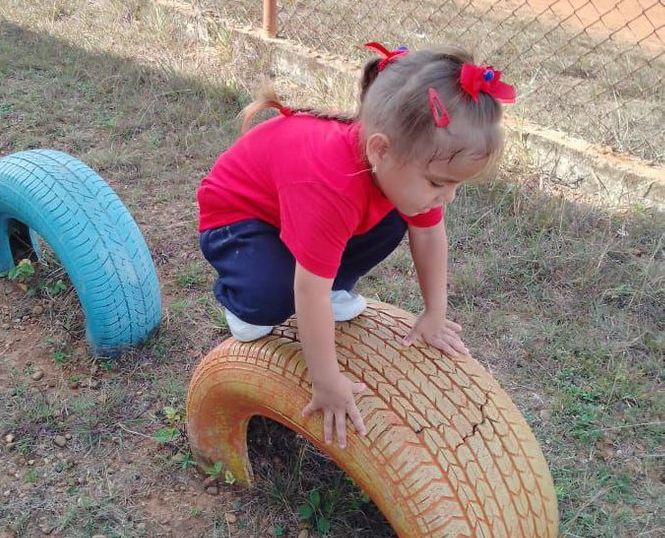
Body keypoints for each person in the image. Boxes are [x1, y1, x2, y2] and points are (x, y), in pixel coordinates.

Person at [197, 44, 517, 450]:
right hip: (239, 220)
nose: (448, 197)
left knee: (396, 220)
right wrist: (326, 380)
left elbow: (429, 235)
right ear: (380, 150)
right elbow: (307, 290)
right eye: (439, 182)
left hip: (297, 212)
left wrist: (435, 314)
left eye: (455, 184)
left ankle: (334, 281)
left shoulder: (396, 170)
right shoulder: (332, 184)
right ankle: (241, 301)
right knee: (273, 301)